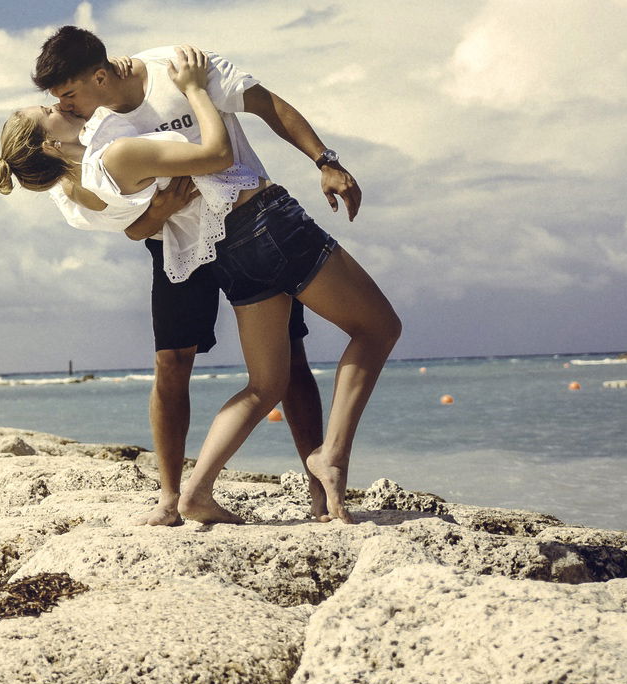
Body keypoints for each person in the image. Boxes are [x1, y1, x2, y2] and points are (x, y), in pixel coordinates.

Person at [27, 27, 401, 523]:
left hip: (225, 251)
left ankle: (197, 493)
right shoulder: (109, 133)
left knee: (268, 382)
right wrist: (193, 101)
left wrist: (324, 159)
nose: (68, 107)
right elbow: (145, 214)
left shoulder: (171, 65)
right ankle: (329, 455)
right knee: (378, 327)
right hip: (257, 227)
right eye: (57, 103)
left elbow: (268, 105)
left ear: (98, 75)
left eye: (68, 95)